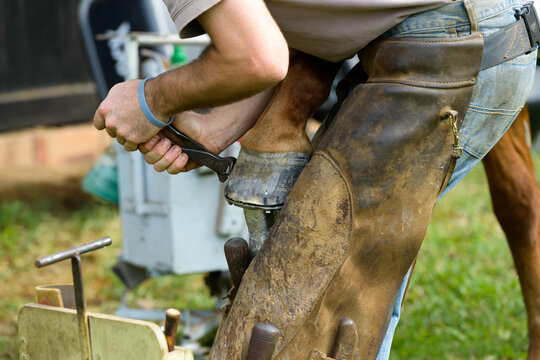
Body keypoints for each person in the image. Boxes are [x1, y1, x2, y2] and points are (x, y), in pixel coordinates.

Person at [93, 0, 538, 358]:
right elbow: (310, 30)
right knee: (347, 295)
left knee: (313, 326)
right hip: (440, 33)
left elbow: (256, 58)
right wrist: (215, 128)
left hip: (452, 42)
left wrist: (148, 99)